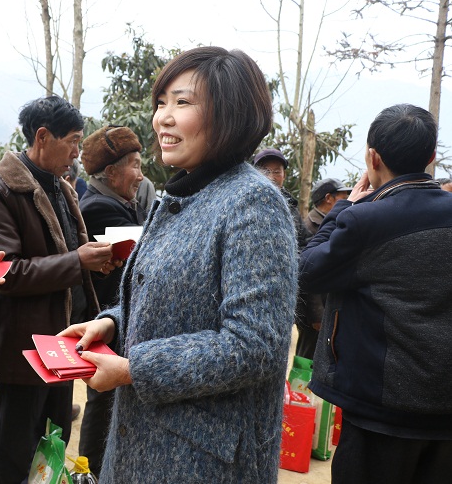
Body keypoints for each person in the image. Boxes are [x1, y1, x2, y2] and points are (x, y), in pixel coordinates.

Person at [60, 46, 297, 482]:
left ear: (230, 116)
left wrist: (134, 369)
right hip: (143, 443)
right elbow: (165, 297)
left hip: (206, 459)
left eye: (183, 102)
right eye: (162, 102)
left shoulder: (253, 204)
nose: (162, 118)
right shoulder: (181, 193)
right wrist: (112, 322)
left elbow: (254, 346)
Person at [301, 104, 452, 484]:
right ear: (431, 157)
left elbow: (307, 270)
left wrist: (344, 207)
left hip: (380, 412)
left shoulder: (366, 220)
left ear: (373, 157)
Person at [0, 95, 116, 484]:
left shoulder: (60, 187)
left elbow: (69, 256)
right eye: (72, 140)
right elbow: (4, 273)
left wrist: (96, 263)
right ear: (42, 136)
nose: (77, 151)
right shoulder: (1, 191)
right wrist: (78, 261)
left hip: (63, 341)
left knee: (54, 443)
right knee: (13, 452)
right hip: (26, 348)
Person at [77, 125, 146, 477]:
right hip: (107, 321)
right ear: (112, 172)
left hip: (115, 318)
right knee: (102, 405)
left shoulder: (120, 203)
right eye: (134, 164)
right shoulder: (101, 207)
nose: (141, 174)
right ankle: (88, 473)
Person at [295, 178, 352, 359]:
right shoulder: (312, 227)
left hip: (326, 306)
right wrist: (317, 314)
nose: (348, 200)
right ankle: (297, 388)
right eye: (344, 197)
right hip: (313, 314)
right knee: (306, 358)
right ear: (329, 198)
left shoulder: (328, 223)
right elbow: (309, 273)